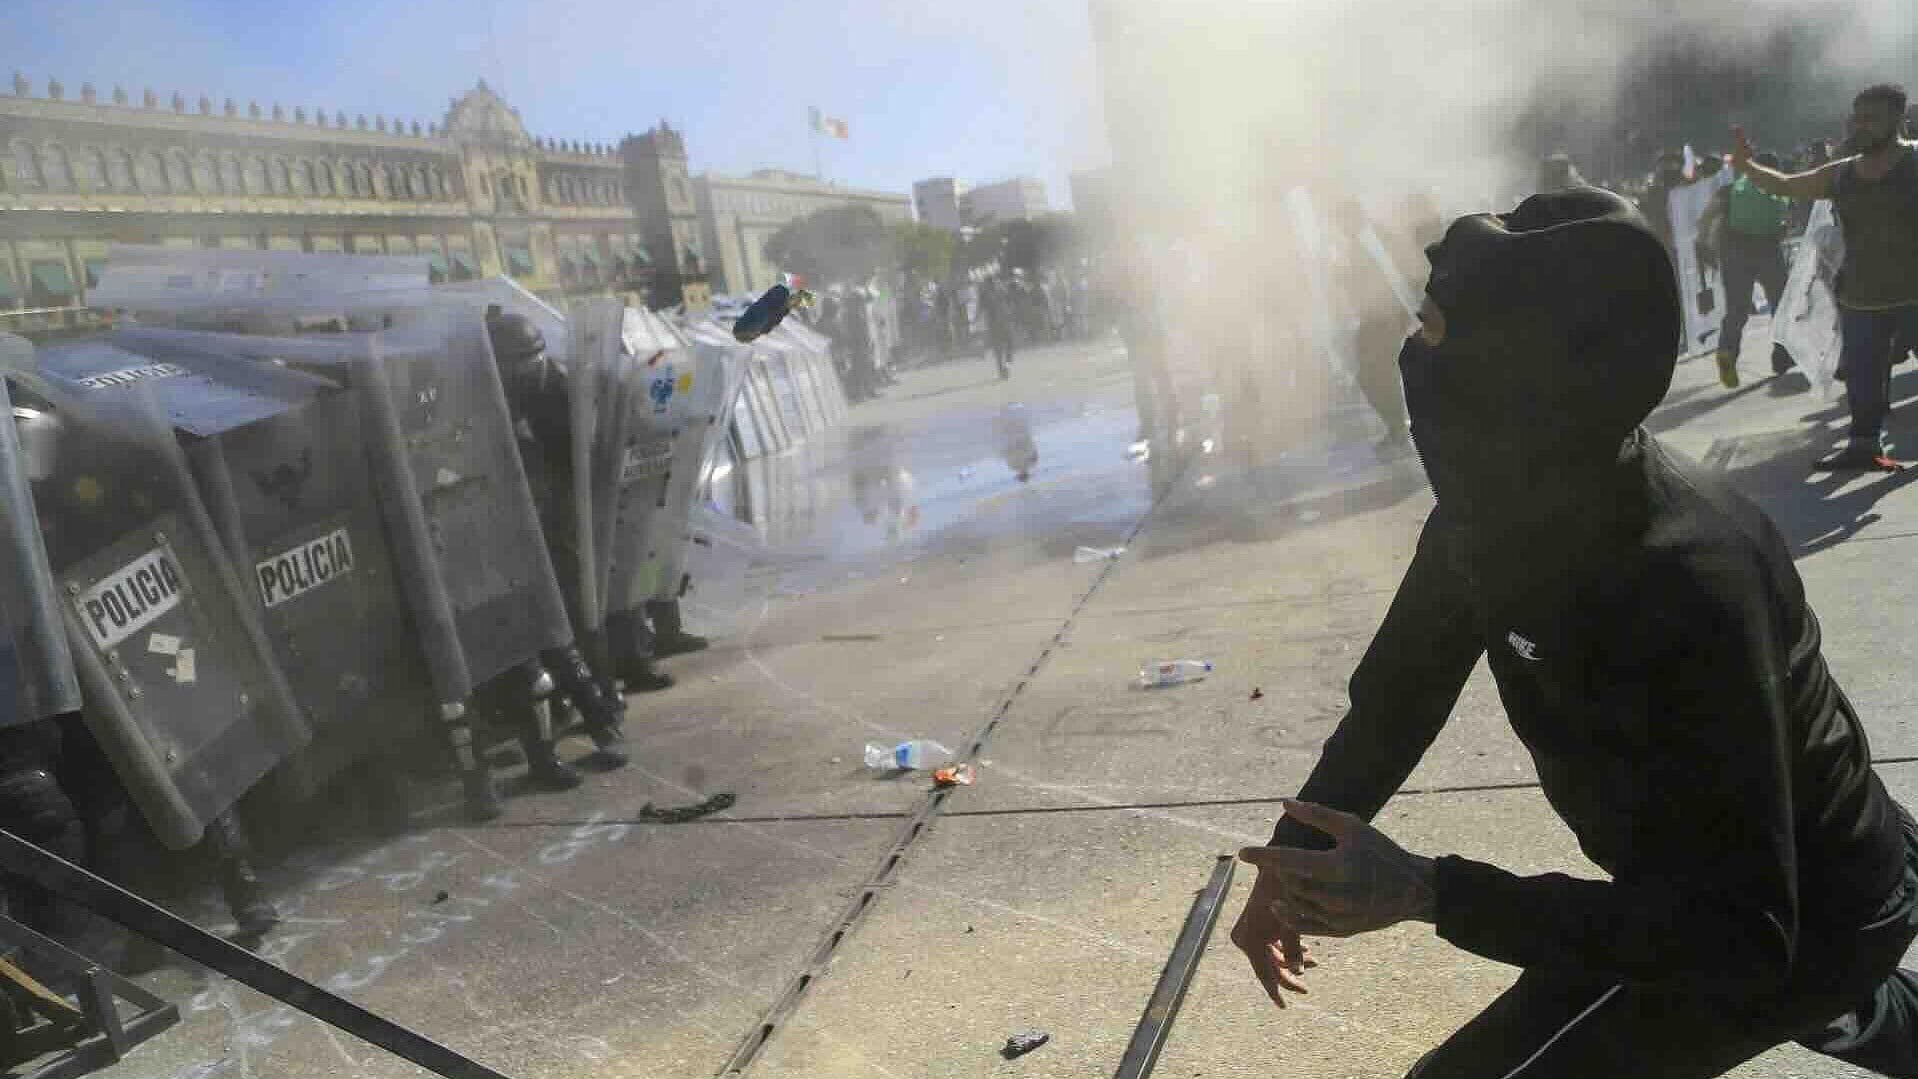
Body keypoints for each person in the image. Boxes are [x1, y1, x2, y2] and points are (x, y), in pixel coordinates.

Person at [1231, 187, 1918, 1077]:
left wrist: (1429, 890)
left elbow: (1739, 936)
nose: (1411, 358)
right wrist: (1294, 860)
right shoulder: (1489, 516)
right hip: (1717, 898)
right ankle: (1857, 1006)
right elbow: (1396, 699)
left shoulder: (1687, 575)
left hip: (1794, 917)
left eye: (1435, 332)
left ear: (1518, 368)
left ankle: (1845, 992)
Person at [1730, 83, 1918, 470]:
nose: (1860, 127)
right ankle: (1864, 447)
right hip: (1862, 298)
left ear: (1898, 120)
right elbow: (1786, 186)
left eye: (1871, 119)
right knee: (1863, 380)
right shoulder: (1842, 174)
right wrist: (1748, 167)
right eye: (1857, 118)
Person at [1699, 149, 1796, 388]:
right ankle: (1782, 354)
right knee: (1780, 303)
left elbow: (1707, 218)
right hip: (1768, 250)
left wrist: (1706, 246)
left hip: (1734, 251)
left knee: (1737, 309)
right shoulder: (1779, 188)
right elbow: (1785, 221)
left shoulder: (1732, 190)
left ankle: (1727, 352)